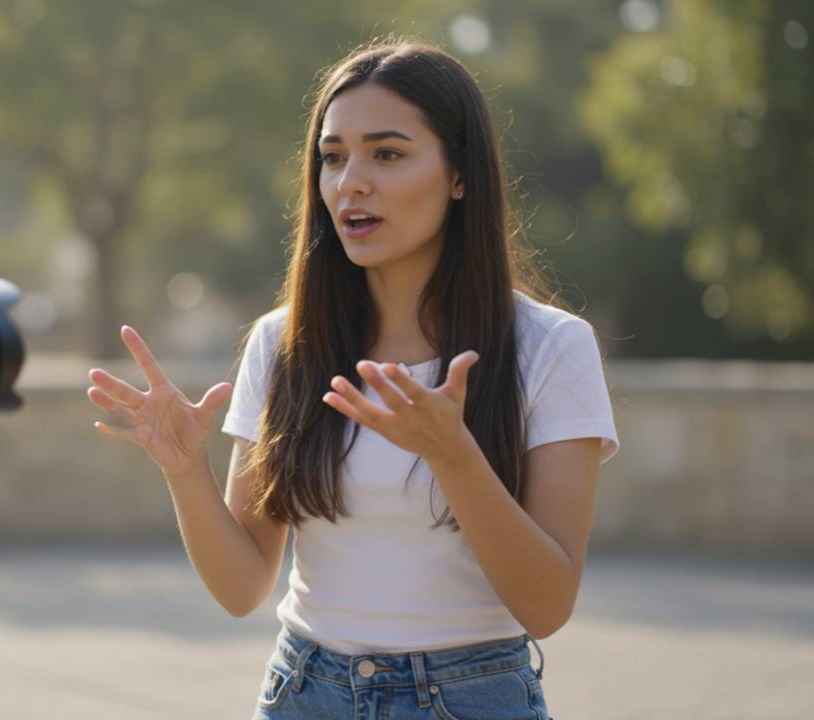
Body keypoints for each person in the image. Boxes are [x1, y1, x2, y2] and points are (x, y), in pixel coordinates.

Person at [86, 40, 618, 719]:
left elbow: (546, 606)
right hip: (306, 692)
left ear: (460, 175)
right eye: (332, 157)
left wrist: (452, 453)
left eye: (387, 153)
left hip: (473, 698)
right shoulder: (284, 342)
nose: (349, 182)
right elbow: (243, 587)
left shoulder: (549, 347)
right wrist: (186, 472)